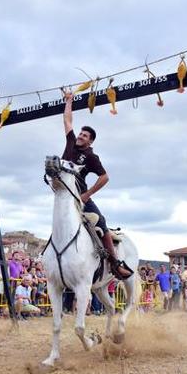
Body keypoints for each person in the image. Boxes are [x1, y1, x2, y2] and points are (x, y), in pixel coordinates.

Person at [61, 91, 133, 280]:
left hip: (80, 196)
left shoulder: (91, 157)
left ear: (90, 141)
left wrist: (87, 194)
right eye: (81, 134)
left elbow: (104, 177)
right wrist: (69, 101)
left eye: (85, 136)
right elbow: (68, 121)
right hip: (63, 195)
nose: (80, 136)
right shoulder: (70, 143)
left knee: (100, 221)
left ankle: (115, 263)